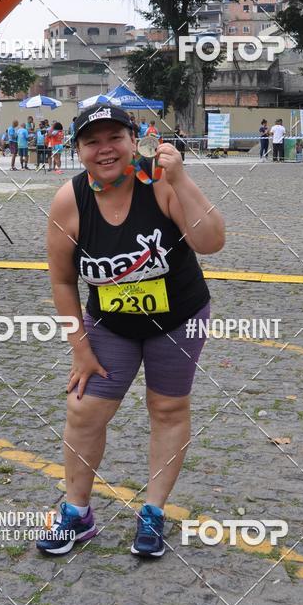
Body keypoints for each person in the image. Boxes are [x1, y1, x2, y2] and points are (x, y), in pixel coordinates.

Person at [37, 105, 225, 558]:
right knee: (83, 409)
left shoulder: (158, 180)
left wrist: (180, 179)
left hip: (178, 317)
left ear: (132, 139)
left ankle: (154, 513)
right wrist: (79, 348)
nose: (105, 150)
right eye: (92, 141)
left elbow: (212, 241)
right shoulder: (70, 199)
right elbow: (62, 281)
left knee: (168, 407)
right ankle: (77, 513)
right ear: (78, 150)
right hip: (109, 324)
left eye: (114, 138)